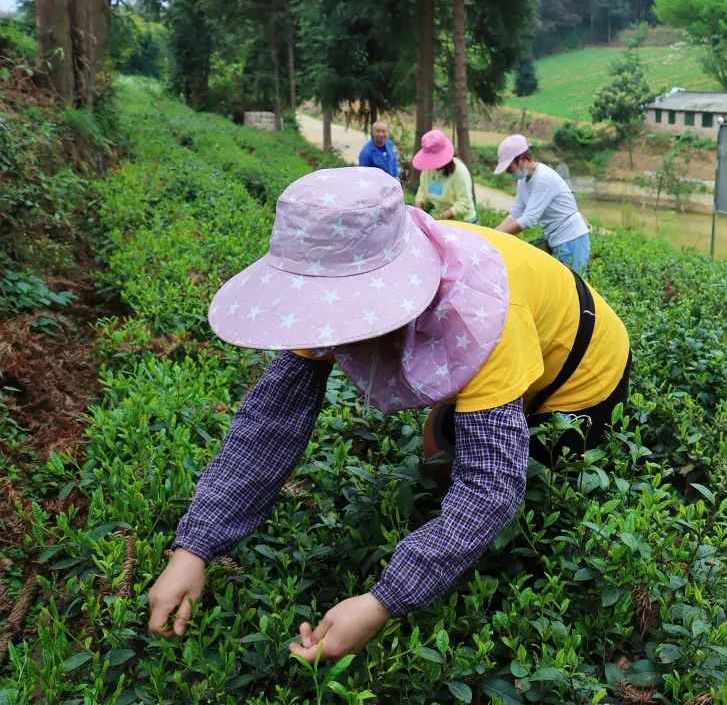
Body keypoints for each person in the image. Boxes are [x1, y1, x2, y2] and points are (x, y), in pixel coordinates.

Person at [146, 166, 631, 663]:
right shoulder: (330, 288)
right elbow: (270, 424)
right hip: (520, 339)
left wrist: (385, 599)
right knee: (439, 451)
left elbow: (491, 489)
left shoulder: (482, 314)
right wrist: (195, 546)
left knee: (532, 498)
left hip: (583, 375)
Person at [493, 134, 591, 274]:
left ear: (523, 159)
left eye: (510, 168)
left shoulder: (543, 179)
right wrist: (491, 234)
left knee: (574, 288)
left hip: (572, 239)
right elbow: (515, 214)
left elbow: (529, 219)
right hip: (555, 239)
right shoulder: (523, 182)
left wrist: (496, 236)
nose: (509, 172)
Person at [412, 129, 477, 224]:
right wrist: (419, 205)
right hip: (441, 220)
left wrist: (439, 218)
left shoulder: (459, 171)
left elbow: (464, 203)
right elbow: (422, 190)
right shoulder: (427, 169)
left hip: (463, 221)